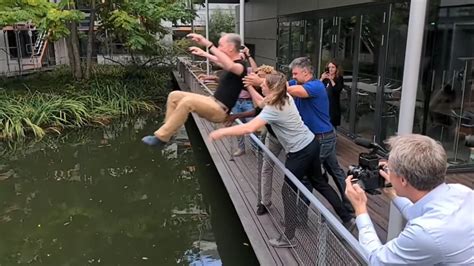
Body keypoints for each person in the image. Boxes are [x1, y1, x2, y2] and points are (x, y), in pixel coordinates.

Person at [209, 72, 323, 248]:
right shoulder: (282, 97)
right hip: (297, 141)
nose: (260, 86)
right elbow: (260, 104)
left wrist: (221, 132)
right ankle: (344, 216)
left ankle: (291, 232)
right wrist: (248, 86)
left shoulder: (275, 104)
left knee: (292, 189)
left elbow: (253, 121)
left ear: (270, 86)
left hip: (297, 148)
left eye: (263, 83)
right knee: (312, 181)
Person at [345, 134, 473, 265]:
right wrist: (392, 193)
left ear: (403, 180)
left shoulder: (424, 233)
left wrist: (360, 209)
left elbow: (377, 260)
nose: (387, 172)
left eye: (390, 169)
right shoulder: (462, 191)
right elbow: (420, 214)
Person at [141, 33, 246, 146]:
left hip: (219, 110)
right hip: (211, 101)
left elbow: (229, 65)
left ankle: (161, 137)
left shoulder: (240, 66)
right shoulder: (231, 64)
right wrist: (204, 53)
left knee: (187, 102)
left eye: (220, 45)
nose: (219, 48)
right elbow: (219, 61)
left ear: (231, 47)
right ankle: (168, 134)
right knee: (174, 95)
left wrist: (209, 44)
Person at [287, 57, 355, 215]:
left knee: (308, 176)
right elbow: (282, 84)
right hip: (323, 136)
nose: (293, 77)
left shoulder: (315, 86)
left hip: (321, 138)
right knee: (335, 170)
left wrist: (275, 86)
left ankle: (301, 215)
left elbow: (287, 90)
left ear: (305, 72)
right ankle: (349, 204)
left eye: (295, 73)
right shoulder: (298, 83)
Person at [320, 60, 344, 129]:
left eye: (333, 67)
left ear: (336, 69)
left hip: (333, 105)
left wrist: (331, 80)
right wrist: (321, 78)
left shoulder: (339, 78)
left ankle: (332, 137)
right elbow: (317, 87)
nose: (330, 69)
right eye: (329, 67)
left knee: (332, 124)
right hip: (324, 103)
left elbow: (337, 90)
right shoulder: (325, 78)